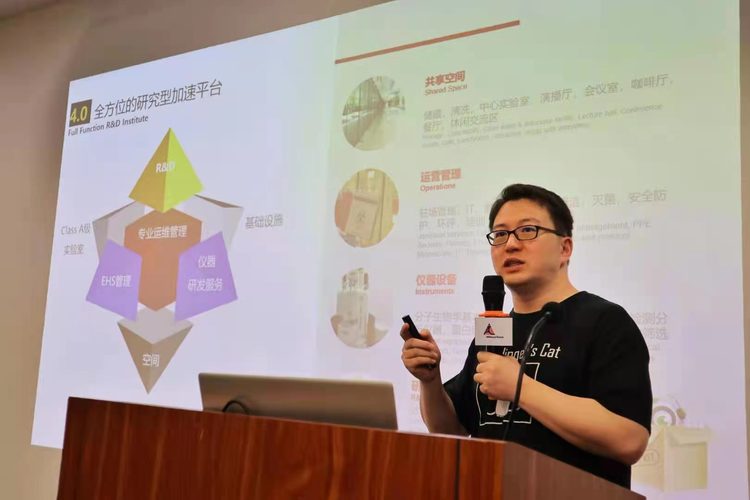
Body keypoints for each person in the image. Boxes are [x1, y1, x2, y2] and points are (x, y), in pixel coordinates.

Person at [400, 184, 652, 489]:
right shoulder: (494, 330)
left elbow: (629, 440)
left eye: (527, 230)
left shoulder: (605, 321)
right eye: (500, 234)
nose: (510, 244)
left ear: (565, 248)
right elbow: (450, 429)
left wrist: (520, 387)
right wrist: (430, 381)